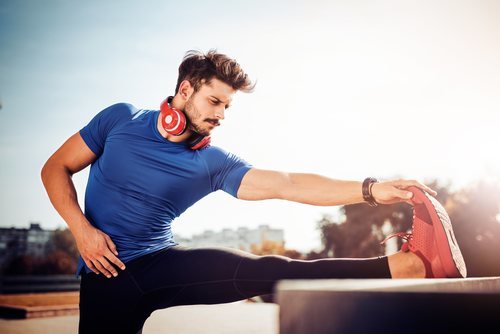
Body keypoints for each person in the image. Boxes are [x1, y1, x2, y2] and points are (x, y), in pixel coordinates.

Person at [41, 49, 466, 334]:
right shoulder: (119, 119)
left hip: (159, 264)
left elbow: (287, 184)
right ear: (185, 89)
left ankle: (401, 267)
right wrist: (81, 230)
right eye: (215, 102)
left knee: (269, 269)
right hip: (103, 280)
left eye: (227, 106)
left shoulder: (211, 161)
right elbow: (55, 168)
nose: (222, 115)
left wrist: (371, 190)